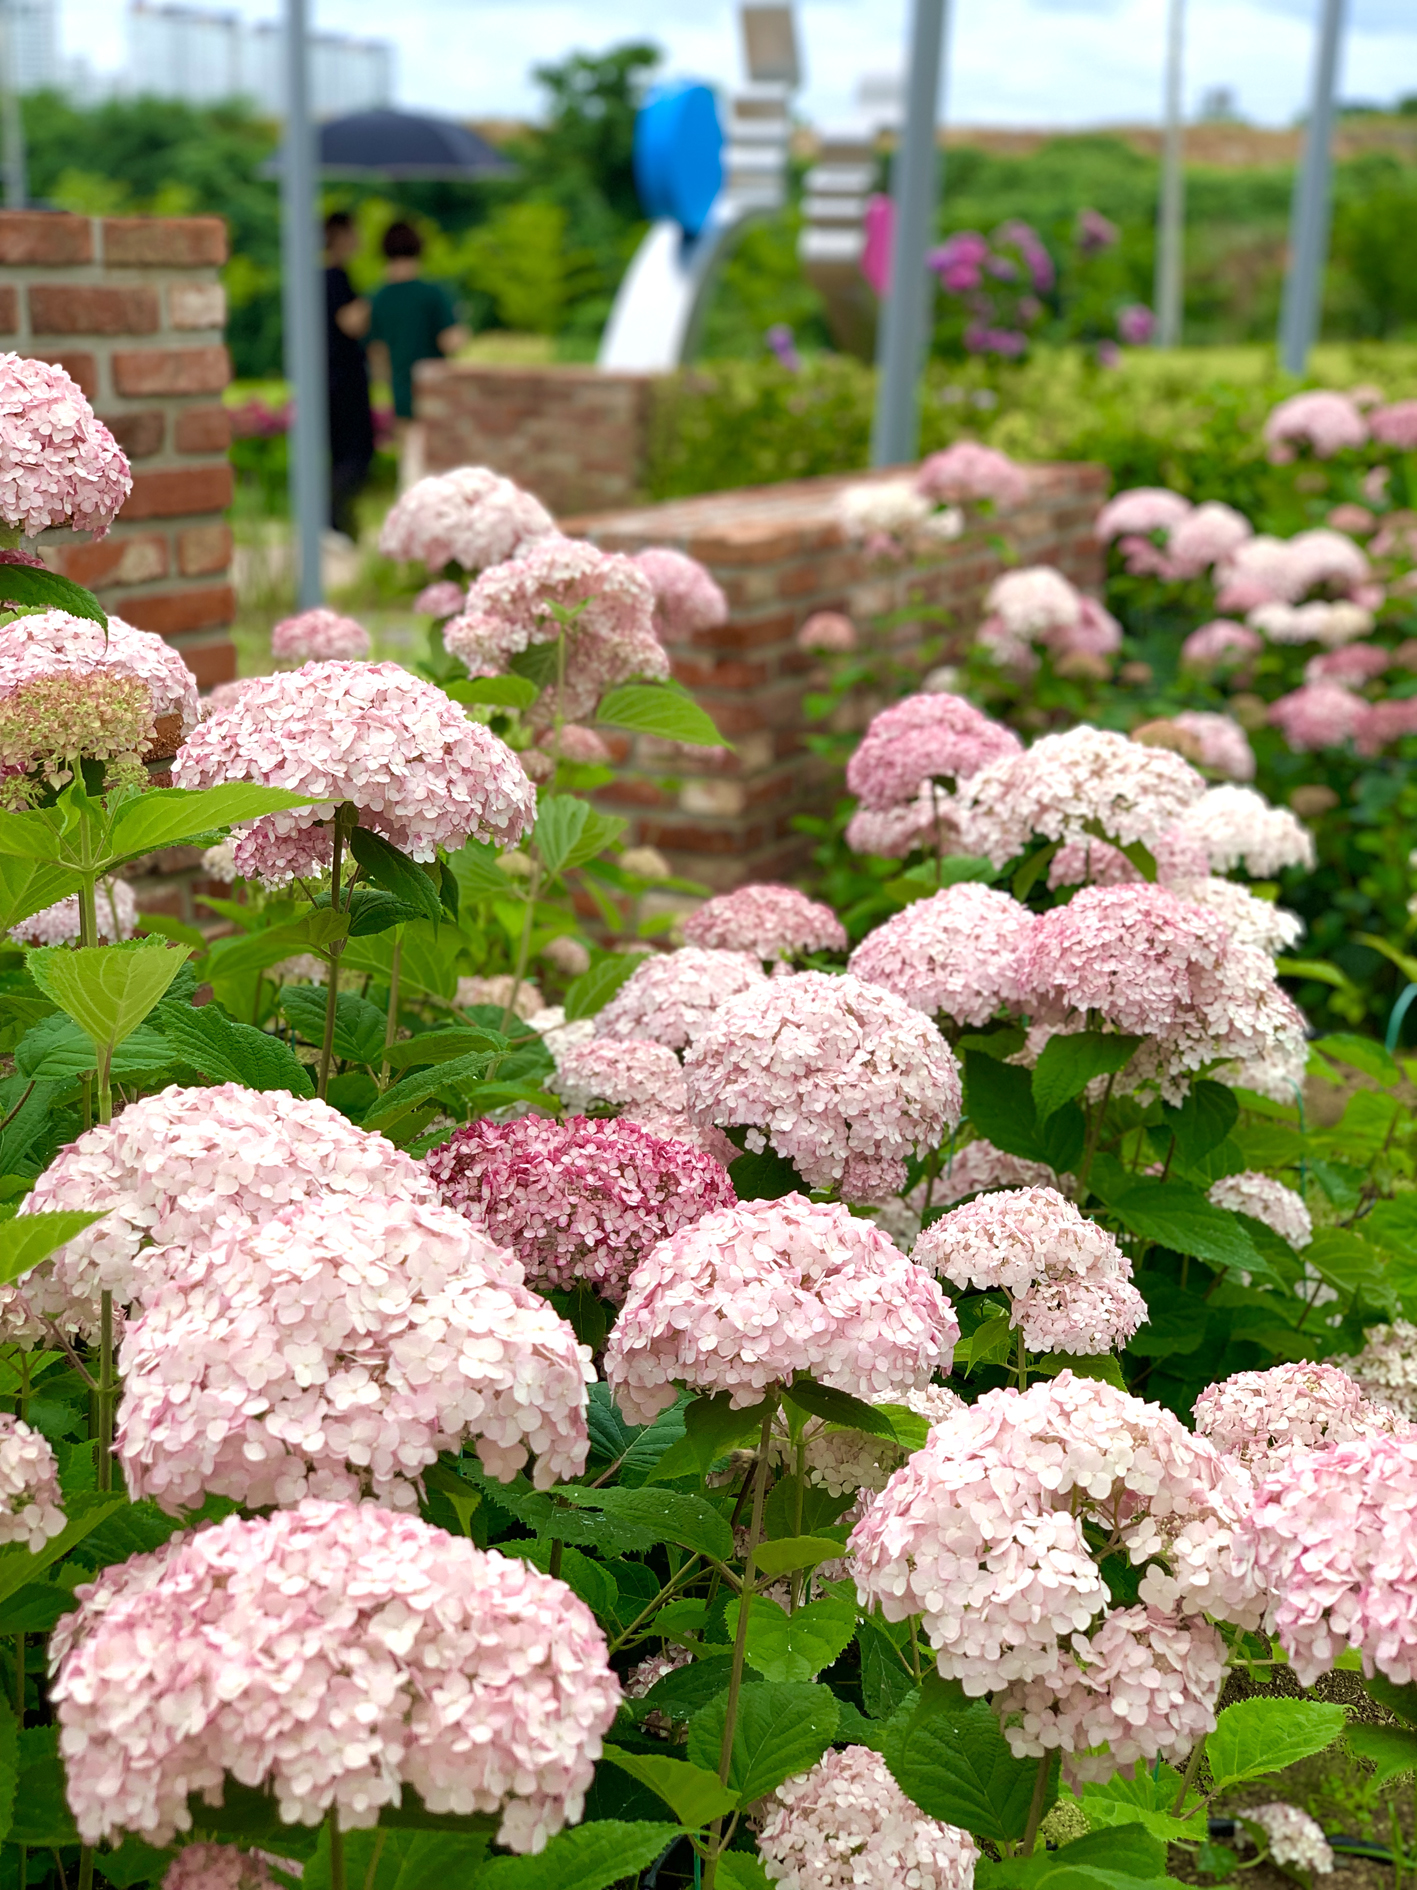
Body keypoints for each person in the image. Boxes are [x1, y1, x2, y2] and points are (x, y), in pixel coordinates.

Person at [367, 221, 468, 439]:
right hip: (434, 391)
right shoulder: (434, 294)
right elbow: (451, 341)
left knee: (408, 462)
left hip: (400, 393)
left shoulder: (377, 298)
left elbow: (377, 354)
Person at [324, 211, 374, 541]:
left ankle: (337, 522)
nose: (359, 239)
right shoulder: (333, 277)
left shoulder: (332, 275)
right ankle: (334, 522)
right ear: (340, 235)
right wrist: (377, 299)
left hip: (338, 378)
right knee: (353, 453)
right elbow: (350, 322)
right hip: (342, 381)